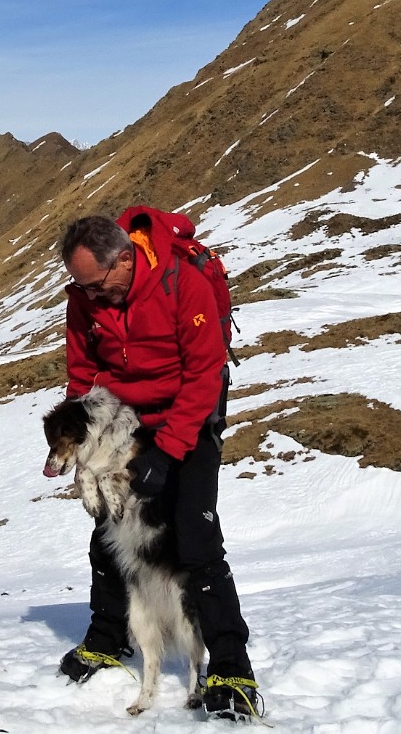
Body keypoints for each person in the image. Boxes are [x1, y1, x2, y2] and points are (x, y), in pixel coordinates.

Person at [57, 206, 264, 723]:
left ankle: (231, 667)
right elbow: (83, 373)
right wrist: (86, 443)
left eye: (98, 287)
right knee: (109, 530)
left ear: (125, 260)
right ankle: (108, 639)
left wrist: (169, 452)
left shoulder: (183, 284)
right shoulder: (86, 297)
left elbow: (203, 373)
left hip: (188, 417)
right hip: (125, 422)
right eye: (81, 288)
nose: (91, 298)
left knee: (194, 537)